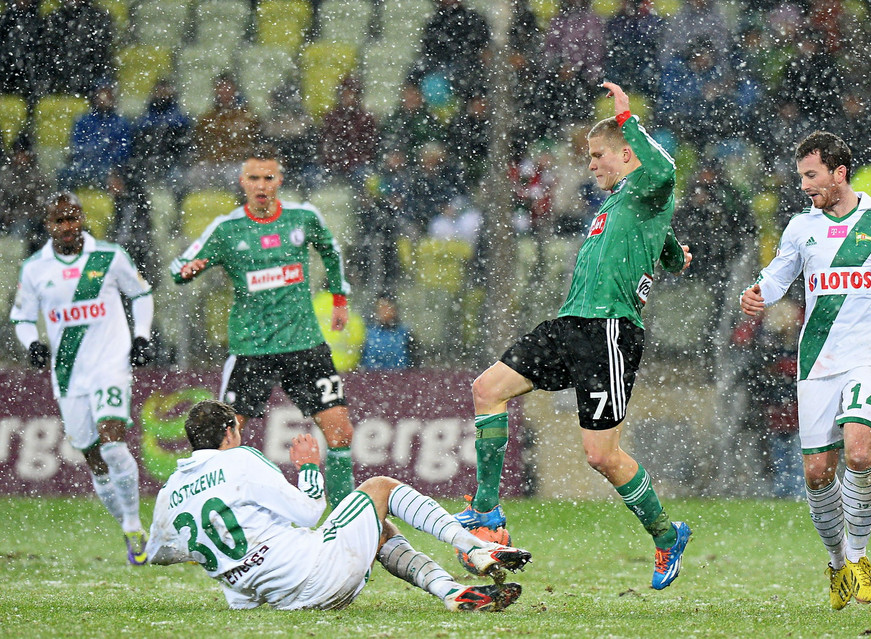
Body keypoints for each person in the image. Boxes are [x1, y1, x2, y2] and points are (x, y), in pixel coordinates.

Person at [456, 82, 693, 590]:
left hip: (609, 329)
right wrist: (672, 253)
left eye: (598, 154)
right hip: (571, 323)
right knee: (487, 389)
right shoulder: (627, 202)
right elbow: (659, 241)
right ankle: (486, 512)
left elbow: (666, 173)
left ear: (626, 154)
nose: (590, 164)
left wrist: (626, 116)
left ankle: (666, 534)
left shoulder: (650, 184)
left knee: (600, 456)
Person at [740, 131, 871, 610]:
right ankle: (837, 563)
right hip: (817, 361)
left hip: (868, 357)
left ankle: (858, 557)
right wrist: (756, 293)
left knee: (859, 453)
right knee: (817, 472)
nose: (804, 186)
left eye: (812, 175)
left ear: (839, 174)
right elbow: (777, 275)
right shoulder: (801, 227)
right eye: (800, 177)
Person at [146, 400, 531, 612]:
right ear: (230, 431)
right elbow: (310, 511)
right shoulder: (240, 459)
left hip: (276, 601)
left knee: (377, 529)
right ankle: (476, 547)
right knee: (379, 488)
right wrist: (310, 468)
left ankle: (451, 592)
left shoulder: (170, 492)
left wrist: (211, 546)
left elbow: (159, 554)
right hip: (317, 575)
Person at [170, 146, 356, 507]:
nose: (261, 185)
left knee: (340, 433)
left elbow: (331, 250)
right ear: (242, 182)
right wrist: (187, 271)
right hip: (252, 349)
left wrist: (338, 298)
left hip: (304, 343)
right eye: (253, 178)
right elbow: (179, 266)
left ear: (279, 181)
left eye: (268, 178)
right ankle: (223, 514)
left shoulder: (303, 218)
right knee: (221, 437)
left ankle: (346, 521)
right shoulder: (226, 230)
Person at [10, 191, 156, 564]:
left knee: (112, 445)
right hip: (69, 374)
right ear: (48, 225)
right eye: (60, 221)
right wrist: (33, 345)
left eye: (73, 218)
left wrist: (141, 335)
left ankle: (136, 525)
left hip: (110, 364)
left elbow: (141, 294)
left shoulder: (109, 256)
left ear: (82, 218)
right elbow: (22, 318)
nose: (68, 226)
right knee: (92, 457)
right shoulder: (35, 268)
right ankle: (129, 526)